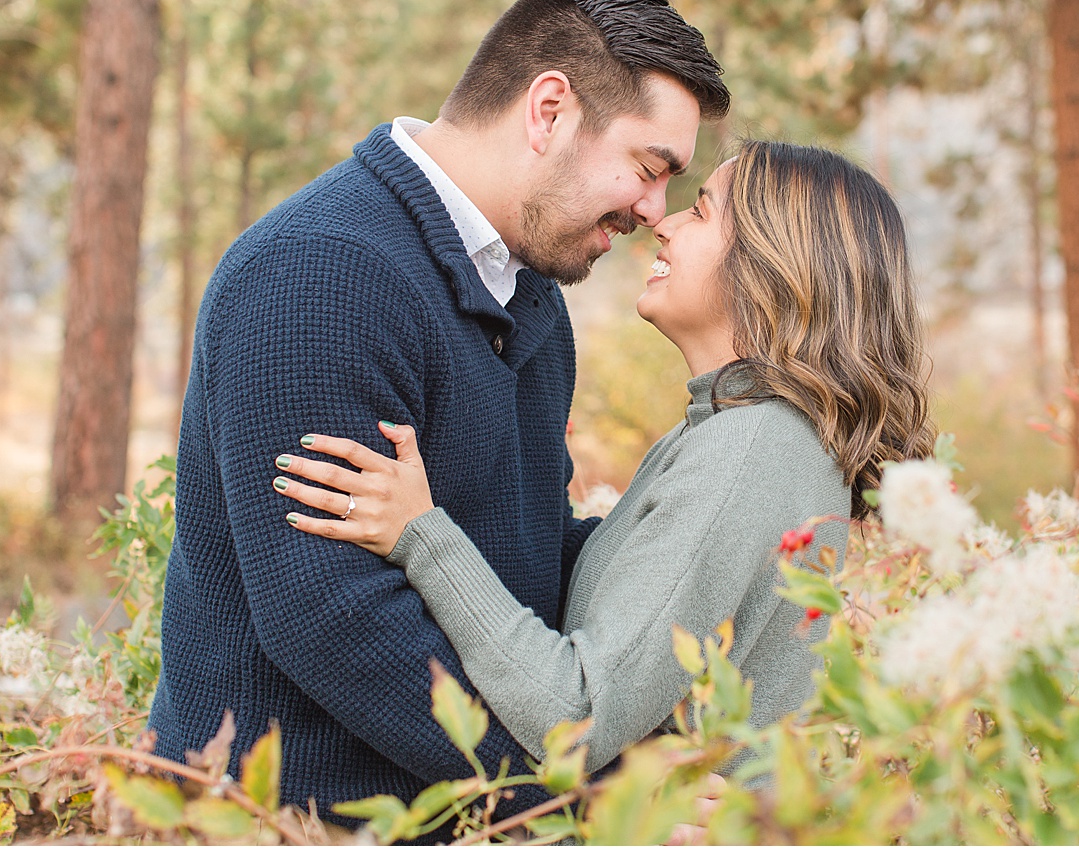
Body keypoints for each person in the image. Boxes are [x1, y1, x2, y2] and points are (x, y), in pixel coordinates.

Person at [147, 0, 730, 830]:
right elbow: (332, 620)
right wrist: (583, 795)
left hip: (451, 814)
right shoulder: (320, 275)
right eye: (649, 166)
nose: (655, 208)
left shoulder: (526, 297)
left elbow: (521, 556)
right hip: (287, 819)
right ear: (549, 110)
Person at [274, 140, 936, 776]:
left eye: (701, 209)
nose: (664, 224)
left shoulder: (752, 447)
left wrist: (422, 534)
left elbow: (578, 713)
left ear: (777, 265)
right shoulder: (731, 430)